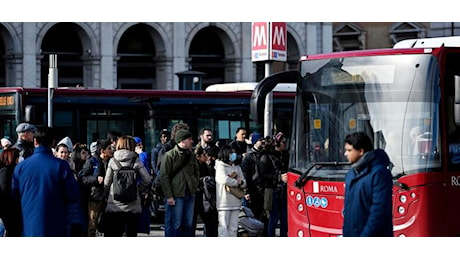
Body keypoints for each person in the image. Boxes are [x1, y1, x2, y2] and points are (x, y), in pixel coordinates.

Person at [11, 126, 81, 236]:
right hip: (57, 226)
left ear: (35, 141)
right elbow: (73, 197)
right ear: (53, 143)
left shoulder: (21, 167)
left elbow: (14, 199)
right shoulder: (61, 166)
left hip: (29, 227)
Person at [342, 132, 393, 237]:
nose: (345, 154)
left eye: (349, 150)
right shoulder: (351, 173)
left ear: (361, 151)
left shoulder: (379, 173)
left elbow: (379, 213)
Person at [103, 135, 152, 237]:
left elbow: (107, 182)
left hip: (114, 204)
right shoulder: (136, 160)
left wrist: (107, 194)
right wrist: (137, 190)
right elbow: (147, 180)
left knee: (114, 233)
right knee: (130, 232)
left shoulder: (113, 161)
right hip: (132, 204)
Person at [159, 129, 200, 237]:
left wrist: (194, 184)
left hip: (189, 193)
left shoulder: (190, 155)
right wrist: (169, 196)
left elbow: (196, 171)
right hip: (176, 195)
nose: (192, 141)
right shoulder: (169, 156)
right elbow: (164, 177)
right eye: (189, 139)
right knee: (175, 224)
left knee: (188, 223)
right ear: (182, 141)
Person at [240, 132, 277, 236]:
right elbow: (245, 175)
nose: (262, 142)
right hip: (254, 191)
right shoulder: (249, 157)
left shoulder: (266, 154)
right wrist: (246, 191)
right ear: (255, 142)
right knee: (255, 217)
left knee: (266, 217)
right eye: (260, 140)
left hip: (265, 190)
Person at [79, 139, 113, 236]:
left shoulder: (112, 162)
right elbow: (82, 177)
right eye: (109, 148)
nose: (111, 151)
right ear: (102, 151)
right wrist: (95, 179)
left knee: (107, 225)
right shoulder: (92, 161)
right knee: (92, 225)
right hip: (95, 198)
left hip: (109, 198)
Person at [215, 144, 246, 237]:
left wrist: (241, 183)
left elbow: (244, 181)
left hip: (236, 202)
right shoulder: (220, 166)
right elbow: (223, 180)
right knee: (223, 228)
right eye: (231, 153)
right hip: (224, 203)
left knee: (234, 228)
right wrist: (237, 182)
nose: (234, 155)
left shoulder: (237, 167)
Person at [267, 132, 289, 237]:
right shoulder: (269, 156)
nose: (285, 144)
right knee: (274, 218)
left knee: (285, 218)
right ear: (277, 143)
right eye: (283, 142)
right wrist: (278, 177)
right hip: (274, 189)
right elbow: (264, 174)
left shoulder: (286, 154)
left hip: (285, 190)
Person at [0, 148, 22, 236]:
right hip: (8, 220)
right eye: (18, 157)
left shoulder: (11, 172)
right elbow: (5, 197)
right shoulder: (6, 172)